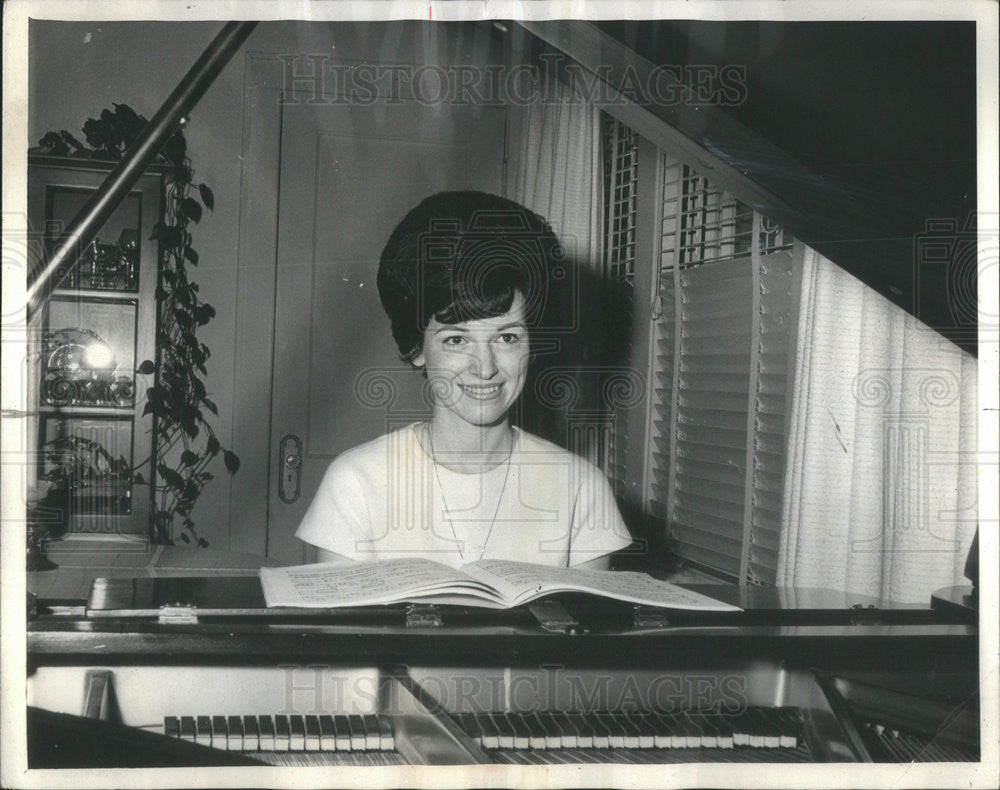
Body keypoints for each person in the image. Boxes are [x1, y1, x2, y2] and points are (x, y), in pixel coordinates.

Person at [295, 192, 633, 569]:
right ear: (417, 347)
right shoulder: (357, 483)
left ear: (533, 344)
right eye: (456, 340)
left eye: (507, 337)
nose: (484, 367)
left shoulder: (582, 489)